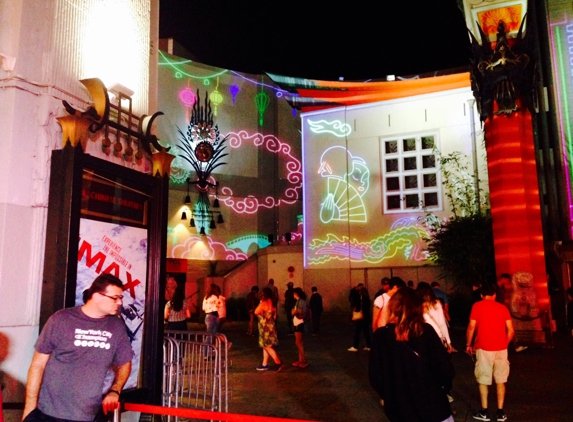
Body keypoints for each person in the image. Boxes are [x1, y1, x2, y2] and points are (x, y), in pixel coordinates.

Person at [23, 274, 133, 422]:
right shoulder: (61, 319)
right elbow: (37, 365)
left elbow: (125, 362)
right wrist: (29, 409)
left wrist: (115, 389)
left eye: (121, 298)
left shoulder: (116, 327)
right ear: (97, 296)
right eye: (115, 298)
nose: (119, 302)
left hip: (87, 414)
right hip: (49, 413)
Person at [369, 288, 455, 422]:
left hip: (398, 409)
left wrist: (389, 394)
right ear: (416, 307)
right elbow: (446, 369)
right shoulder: (425, 331)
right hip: (432, 406)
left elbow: (375, 376)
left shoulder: (380, 336)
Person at [466, 283, 514, 422]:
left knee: (483, 379)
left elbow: (471, 327)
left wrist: (469, 344)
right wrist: (504, 344)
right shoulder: (503, 308)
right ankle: (500, 412)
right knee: (501, 380)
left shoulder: (477, 306)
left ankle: (484, 411)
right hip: (501, 348)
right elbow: (511, 330)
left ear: (481, 295)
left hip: (483, 348)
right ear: (494, 295)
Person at [416, 282, 453, 353]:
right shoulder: (436, 303)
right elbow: (442, 323)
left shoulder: (416, 305)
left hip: (421, 337)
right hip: (436, 335)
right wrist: (448, 342)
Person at [254, 287, 283, 372]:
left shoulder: (264, 302)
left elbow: (256, 311)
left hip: (265, 327)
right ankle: (264, 364)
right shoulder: (272, 302)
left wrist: (260, 304)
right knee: (266, 346)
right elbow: (274, 315)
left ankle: (278, 362)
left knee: (267, 346)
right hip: (271, 326)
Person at [349, 286, 371, 352]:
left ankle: (355, 346)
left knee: (357, 332)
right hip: (366, 317)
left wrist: (354, 288)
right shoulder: (367, 298)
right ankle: (369, 345)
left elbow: (352, 297)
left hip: (360, 317)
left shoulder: (360, 298)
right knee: (366, 332)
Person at [291, 288, 309, 368]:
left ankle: (303, 360)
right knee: (299, 342)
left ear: (296, 293)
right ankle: (300, 359)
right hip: (296, 322)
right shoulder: (298, 301)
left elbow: (300, 311)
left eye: (293, 293)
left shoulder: (301, 301)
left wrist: (295, 311)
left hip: (299, 322)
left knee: (298, 342)